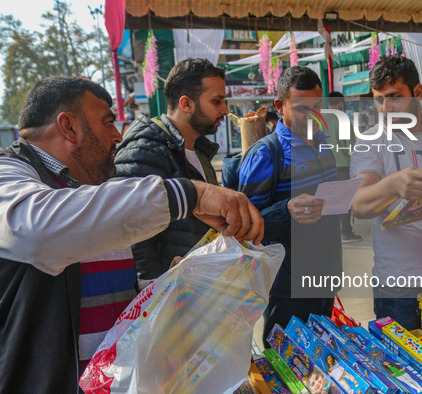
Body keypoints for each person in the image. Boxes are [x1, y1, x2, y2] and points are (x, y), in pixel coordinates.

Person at [0, 76, 263, 393]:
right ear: (68, 127)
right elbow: (35, 232)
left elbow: (111, 292)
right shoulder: (10, 177)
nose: (117, 135)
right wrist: (190, 195)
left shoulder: (90, 190)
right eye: (108, 122)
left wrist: (166, 290)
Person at [350, 55, 422, 330]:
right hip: (398, 287)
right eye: (378, 99)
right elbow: (358, 204)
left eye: (394, 97)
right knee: (402, 371)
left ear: (418, 92)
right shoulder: (372, 140)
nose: (385, 108)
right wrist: (393, 184)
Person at [238, 66, 341, 344]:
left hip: (325, 277)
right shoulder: (266, 154)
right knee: (285, 370)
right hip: (288, 288)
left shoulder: (324, 145)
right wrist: (286, 210)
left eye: (316, 107)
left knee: (321, 362)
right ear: (279, 106)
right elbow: (246, 229)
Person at [114, 58, 227, 284]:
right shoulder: (145, 150)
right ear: (186, 104)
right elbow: (135, 236)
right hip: (170, 294)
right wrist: (154, 290)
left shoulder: (199, 150)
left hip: (198, 283)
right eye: (217, 102)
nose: (224, 110)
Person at [324, 91, 362, 243]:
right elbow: (351, 148)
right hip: (341, 167)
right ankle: (346, 233)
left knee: (326, 201)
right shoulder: (343, 119)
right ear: (340, 103)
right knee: (344, 201)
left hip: (323, 168)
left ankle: (330, 234)